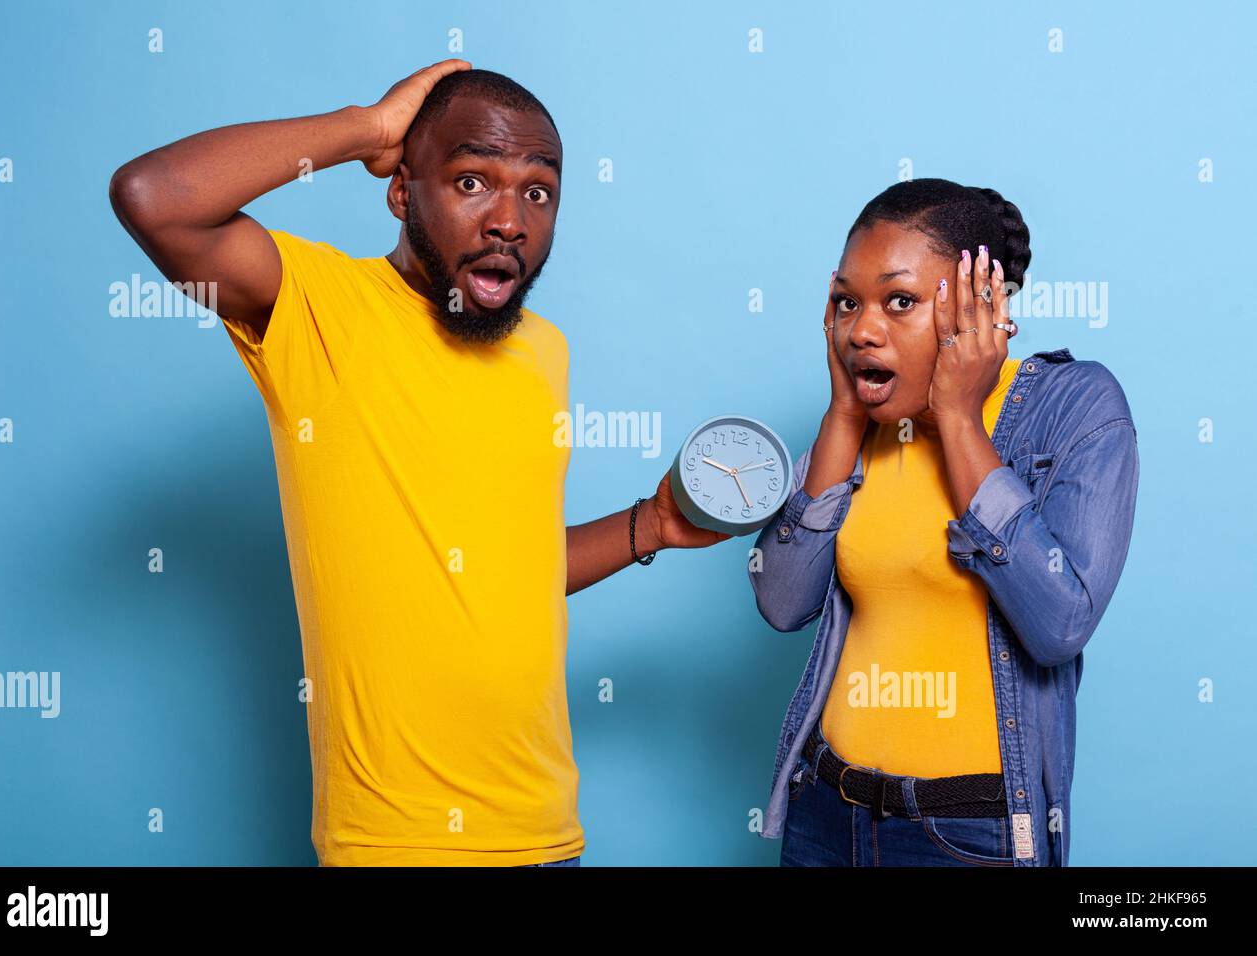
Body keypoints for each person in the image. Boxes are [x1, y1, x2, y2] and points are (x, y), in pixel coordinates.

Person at [109, 60, 727, 866]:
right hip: (397, 842)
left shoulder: (544, 353)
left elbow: (506, 568)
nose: (509, 220)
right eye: (473, 182)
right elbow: (156, 198)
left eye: (537, 192)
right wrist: (367, 125)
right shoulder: (320, 306)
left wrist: (650, 525)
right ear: (403, 193)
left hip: (546, 835)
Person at [748, 178, 1138, 866]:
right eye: (847, 302)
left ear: (977, 303)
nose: (862, 330)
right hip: (825, 817)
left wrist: (958, 417)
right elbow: (782, 602)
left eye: (899, 301)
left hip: (967, 835)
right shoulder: (865, 424)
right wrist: (841, 415)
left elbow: (1060, 625)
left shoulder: (1073, 406)